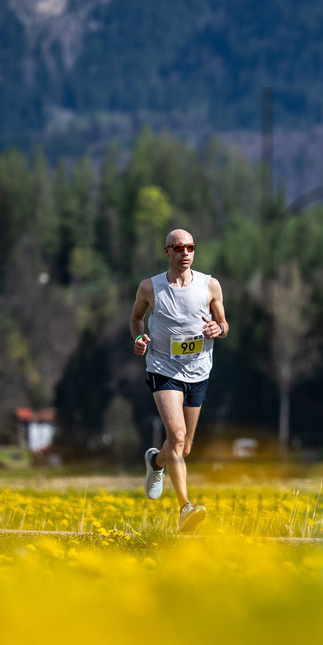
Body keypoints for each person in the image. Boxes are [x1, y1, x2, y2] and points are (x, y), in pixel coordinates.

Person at [130, 228, 229, 533]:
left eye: (190, 247)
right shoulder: (151, 287)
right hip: (163, 368)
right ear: (167, 252)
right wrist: (139, 338)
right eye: (178, 248)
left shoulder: (210, 285)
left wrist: (219, 330)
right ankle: (185, 508)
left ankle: (156, 463)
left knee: (184, 448)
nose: (185, 252)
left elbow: (224, 323)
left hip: (198, 370)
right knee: (176, 434)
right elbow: (136, 318)